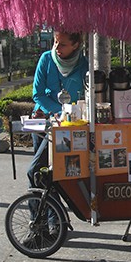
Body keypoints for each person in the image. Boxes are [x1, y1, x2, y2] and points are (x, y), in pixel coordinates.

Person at [27, 31, 88, 187]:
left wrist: (70, 114)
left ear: (75, 45)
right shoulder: (46, 59)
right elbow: (38, 94)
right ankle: (44, 210)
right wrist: (60, 111)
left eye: (62, 44)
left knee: (59, 170)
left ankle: (53, 210)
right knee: (39, 170)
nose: (57, 47)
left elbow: (87, 97)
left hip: (69, 125)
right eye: (55, 42)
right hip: (44, 119)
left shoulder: (84, 65)